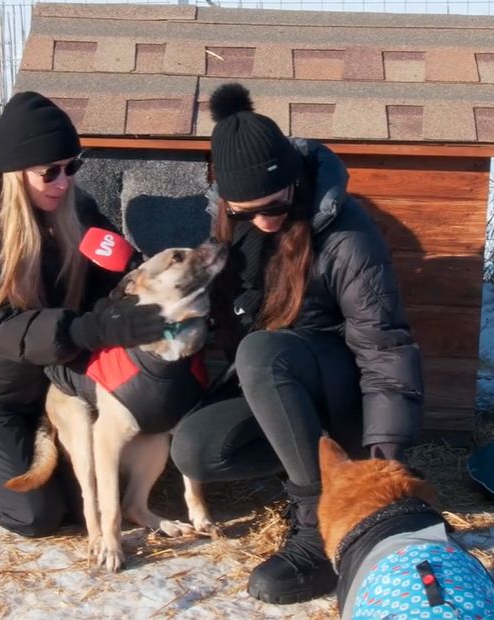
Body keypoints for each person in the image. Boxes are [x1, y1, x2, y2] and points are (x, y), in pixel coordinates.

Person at [169, 83, 426, 604]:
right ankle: (310, 474)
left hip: (343, 392)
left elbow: (384, 350)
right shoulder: (231, 236)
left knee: (261, 350)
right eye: (245, 212)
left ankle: (315, 529)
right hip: (278, 386)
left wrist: (383, 466)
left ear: (295, 181)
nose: (264, 220)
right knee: (195, 449)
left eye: (276, 204)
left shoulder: (346, 237)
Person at [0, 91, 167, 537]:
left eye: (73, 166)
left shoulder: (76, 208)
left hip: (55, 384)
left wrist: (135, 283)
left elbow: (108, 278)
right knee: (34, 515)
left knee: (92, 498)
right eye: (49, 171)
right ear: (15, 173)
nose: (64, 181)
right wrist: (93, 328)